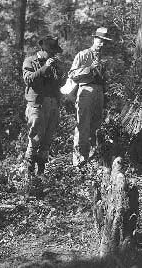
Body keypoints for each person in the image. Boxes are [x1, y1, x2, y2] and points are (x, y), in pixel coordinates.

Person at [68, 27, 112, 166]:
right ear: (94, 39)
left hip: (100, 92)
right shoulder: (83, 55)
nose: (102, 44)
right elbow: (72, 75)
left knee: (96, 126)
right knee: (83, 125)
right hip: (85, 90)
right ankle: (79, 160)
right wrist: (89, 68)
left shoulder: (104, 59)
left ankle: (92, 160)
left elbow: (107, 79)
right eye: (100, 40)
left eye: (104, 42)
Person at [23, 35, 64, 176]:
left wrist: (59, 72)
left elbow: (60, 84)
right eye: (51, 52)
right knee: (35, 139)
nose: (53, 55)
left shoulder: (54, 64)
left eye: (54, 53)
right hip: (37, 105)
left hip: (53, 104)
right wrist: (45, 68)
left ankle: (40, 175)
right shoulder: (30, 61)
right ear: (43, 49)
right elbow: (28, 79)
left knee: (46, 141)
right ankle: (28, 176)